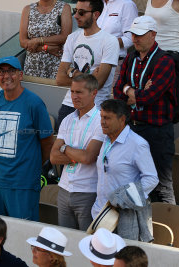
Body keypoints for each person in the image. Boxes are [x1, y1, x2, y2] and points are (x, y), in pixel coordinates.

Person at [113, 16, 177, 204]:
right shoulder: (131, 57)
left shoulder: (164, 61)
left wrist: (131, 91)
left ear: (153, 35)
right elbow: (118, 91)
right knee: (134, 181)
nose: (135, 39)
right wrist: (132, 91)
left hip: (157, 131)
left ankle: (172, 228)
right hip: (133, 128)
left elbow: (149, 97)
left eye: (140, 35)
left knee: (162, 185)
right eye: (133, 34)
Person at [0, 56, 53, 221]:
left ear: (20, 75)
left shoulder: (34, 103)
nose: (6, 76)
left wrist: (30, 166)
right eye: (1, 72)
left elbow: (48, 142)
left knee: (22, 233)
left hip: (22, 183)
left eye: (11, 71)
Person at [92, 99, 158, 241]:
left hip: (125, 218)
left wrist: (125, 198)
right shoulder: (106, 139)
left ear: (122, 119)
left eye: (107, 118)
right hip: (100, 214)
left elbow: (152, 179)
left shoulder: (137, 144)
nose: (102, 122)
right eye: (101, 117)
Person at [50, 74, 104, 231]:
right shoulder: (67, 119)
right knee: (65, 243)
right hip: (64, 189)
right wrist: (76, 155)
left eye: (79, 92)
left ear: (93, 93)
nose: (74, 96)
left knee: (86, 242)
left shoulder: (100, 121)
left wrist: (65, 148)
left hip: (88, 191)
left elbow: (88, 157)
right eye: (72, 91)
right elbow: (53, 157)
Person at [56, 0, 119, 127]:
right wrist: (89, 78)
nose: (76, 16)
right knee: (61, 145)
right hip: (69, 104)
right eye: (75, 11)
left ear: (95, 15)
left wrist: (73, 72)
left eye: (82, 12)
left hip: (94, 106)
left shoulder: (110, 41)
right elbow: (59, 79)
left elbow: (98, 84)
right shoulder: (72, 38)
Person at [19, 0, 72, 79]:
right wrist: (46, 48)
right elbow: (22, 42)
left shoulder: (64, 7)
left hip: (55, 63)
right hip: (32, 65)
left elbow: (65, 37)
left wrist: (38, 40)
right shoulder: (28, 9)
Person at [97, 0, 138, 82]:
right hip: (92, 61)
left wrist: (102, 43)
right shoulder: (97, 3)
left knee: (109, 94)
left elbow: (130, 38)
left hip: (113, 63)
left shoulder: (127, 4)